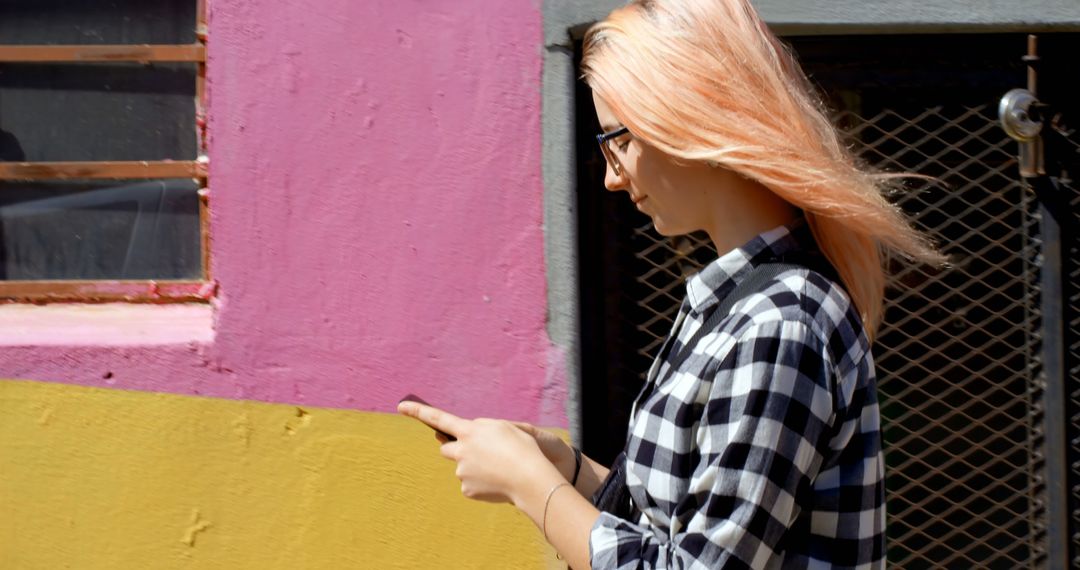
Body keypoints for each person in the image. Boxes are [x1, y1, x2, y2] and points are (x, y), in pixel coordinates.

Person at [398, 0, 944, 567]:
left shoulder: (780, 323)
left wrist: (531, 486)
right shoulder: (740, 303)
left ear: (690, 114)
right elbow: (685, 522)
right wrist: (567, 468)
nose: (612, 176)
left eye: (619, 140)